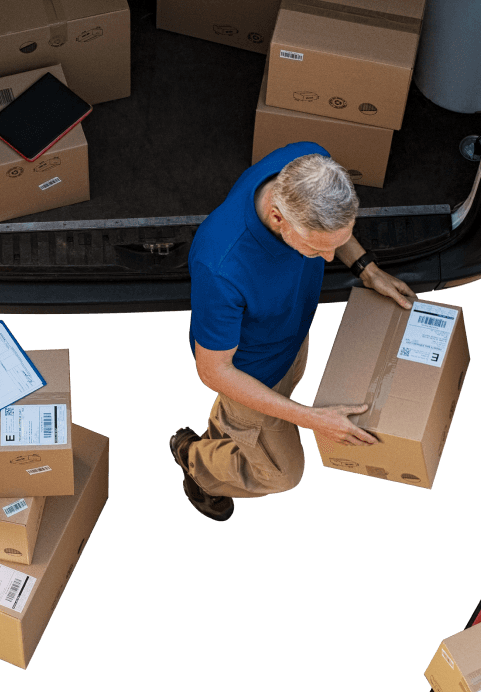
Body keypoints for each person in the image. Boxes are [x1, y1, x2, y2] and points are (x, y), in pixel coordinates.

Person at [169, 142, 417, 521]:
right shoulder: (221, 265)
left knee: (246, 421)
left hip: (289, 336)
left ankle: (228, 431)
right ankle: (196, 463)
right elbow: (213, 372)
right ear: (278, 217)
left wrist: (367, 269)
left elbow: (332, 233)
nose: (332, 258)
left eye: (337, 243)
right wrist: (312, 419)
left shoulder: (308, 164)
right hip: (251, 372)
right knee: (282, 474)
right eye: (317, 248)